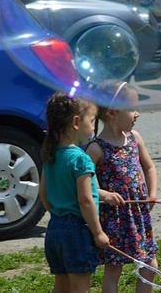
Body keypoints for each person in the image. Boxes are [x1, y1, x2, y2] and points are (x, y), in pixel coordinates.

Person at [85, 81, 159, 293]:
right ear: (112, 112)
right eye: (132, 108)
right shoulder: (97, 149)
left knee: (150, 265)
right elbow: (83, 187)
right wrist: (104, 195)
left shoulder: (134, 139)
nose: (137, 114)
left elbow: (150, 167)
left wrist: (152, 194)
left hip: (138, 214)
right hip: (115, 219)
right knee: (114, 269)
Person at [40, 92, 110, 293]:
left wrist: (58, 213)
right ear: (76, 122)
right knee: (80, 288)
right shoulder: (81, 158)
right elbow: (86, 200)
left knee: (61, 287)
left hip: (54, 229)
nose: (94, 126)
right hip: (77, 230)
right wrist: (98, 233)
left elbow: (43, 194)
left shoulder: (51, 155)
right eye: (92, 120)